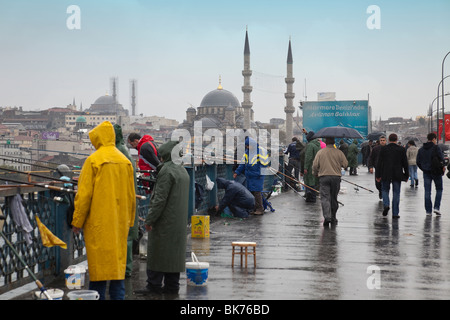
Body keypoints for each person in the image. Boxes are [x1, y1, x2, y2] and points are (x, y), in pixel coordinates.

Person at [71, 121, 136, 300]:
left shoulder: (93, 160)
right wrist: (130, 221)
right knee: (117, 270)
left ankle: (97, 296)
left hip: (98, 223)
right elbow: (132, 196)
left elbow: (83, 196)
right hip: (120, 223)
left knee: (99, 271)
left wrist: (77, 222)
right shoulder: (125, 161)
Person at [137, 140, 190, 296]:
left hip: (165, 221)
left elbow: (159, 199)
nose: (159, 159)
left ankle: (153, 286)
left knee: (158, 253)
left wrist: (150, 220)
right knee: (173, 256)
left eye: (161, 156)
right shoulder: (183, 171)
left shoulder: (167, 171)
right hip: (178, 221)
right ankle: (172, 287)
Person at [114, 124, 139, 278]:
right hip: (130, 197)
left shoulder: (119, 151)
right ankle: (125, 268)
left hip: (123, 200)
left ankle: (125, 269)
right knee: (127, 235)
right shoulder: (123, 150)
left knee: (125, 236)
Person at [312, 137, 348, 226]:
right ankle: (333, 217)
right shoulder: (339, 152)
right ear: (334, 142)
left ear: (326, 142)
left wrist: (315, 173)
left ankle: (327, 217)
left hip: (324, 177)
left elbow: (315, 165)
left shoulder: (320, 152)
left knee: (325, 197)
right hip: (336, 177)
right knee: (334, 198)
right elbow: (345, 164)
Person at [375, 133, 409, 219]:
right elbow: (405, 163)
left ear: (389, 140)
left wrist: (378, 175)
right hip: (397, 174)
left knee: (385, 190)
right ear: (396, 140)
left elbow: (379, 163)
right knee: (396, 193)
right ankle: (395, 213)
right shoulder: (401, 149)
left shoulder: (384, 149)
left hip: (385, 173)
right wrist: (406, 175)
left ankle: (386, 204)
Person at [233, 137, 269, 215]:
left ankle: (260, 209)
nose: (247, 147)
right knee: (252, 192)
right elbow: (243, 163)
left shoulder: (260, 151)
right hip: (250, 175)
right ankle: (254, 208)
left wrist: (260, 174)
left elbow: (264, 164)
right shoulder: (247, 152)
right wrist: (237, 172)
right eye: (246, 146)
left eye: (248, 146)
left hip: (257, 175)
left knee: (257, 192)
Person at [416, 132, 445, 215]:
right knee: (439, 189)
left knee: (427, 191)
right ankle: (436, 207)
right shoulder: (436, 148)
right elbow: (442, 159)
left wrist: (423, 168)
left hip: (426, 172)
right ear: (433, 139)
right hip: (436, 172)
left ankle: (428, 211)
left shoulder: (421, 149)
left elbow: (418, 161)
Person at [303, 131, 321, 202]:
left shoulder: (310, 145)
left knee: (309, 181)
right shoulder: (317, 145)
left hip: (311, 166)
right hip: (317, 166)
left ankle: (311, 198)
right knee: (314, 181)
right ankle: (313, 197)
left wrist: (305, 167)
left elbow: (308, 157)